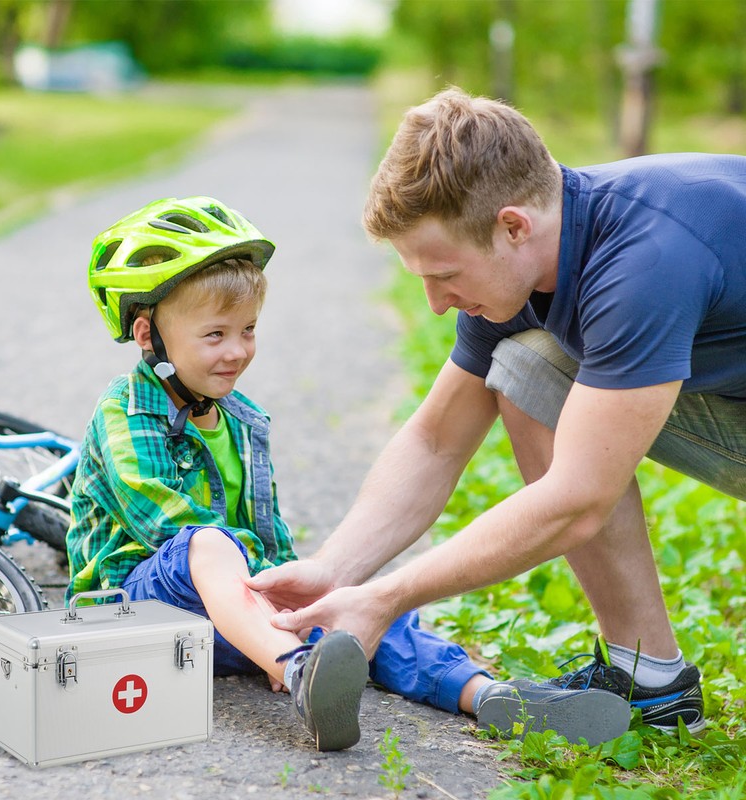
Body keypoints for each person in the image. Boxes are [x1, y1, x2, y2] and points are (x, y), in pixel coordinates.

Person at [248, 87, 746, 737]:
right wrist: (332, 572)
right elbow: (435, 441)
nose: (435, 304)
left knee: (527, 369)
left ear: (513, 225)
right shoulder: (538, 250)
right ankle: (647, 678)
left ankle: (645, 676)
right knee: (525, 364)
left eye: (443, 275)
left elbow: (577, 499)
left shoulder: (643, 262)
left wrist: (385, 598)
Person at [66, 195, 630, 752]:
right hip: (136, 610)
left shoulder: (241, 419)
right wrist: (274, 616)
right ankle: (298, 672)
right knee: (208, 544)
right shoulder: (127, 410)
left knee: (355, 605)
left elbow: (265, 533)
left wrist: (296, 598)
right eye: (215, 335)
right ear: (148, 335)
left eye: (249, 330)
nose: (237, 351)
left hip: (230, 620)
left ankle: (489, 697)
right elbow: (166, 524)